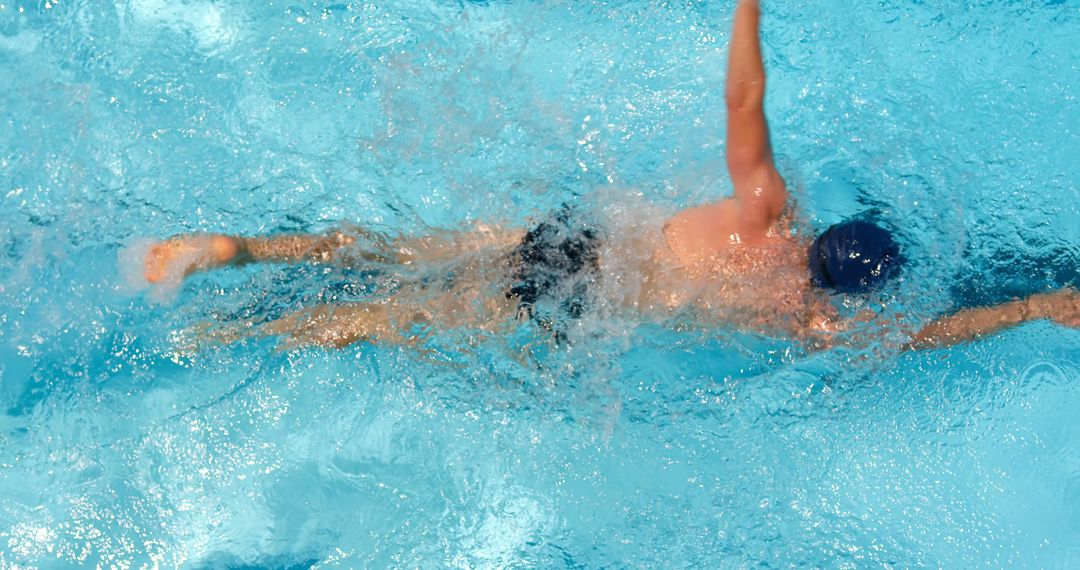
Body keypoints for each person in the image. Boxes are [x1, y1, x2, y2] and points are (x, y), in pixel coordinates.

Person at [140, 0, 1080, 351]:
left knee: (391, 249)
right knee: (390, 321)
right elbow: (928, 339)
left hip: (573, 238)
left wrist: (748, 8)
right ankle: (233, 339)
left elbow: (743, 108)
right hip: (581, 298)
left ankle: (240, 248)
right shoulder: (803, 313)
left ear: (820, 238)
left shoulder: (763, 214)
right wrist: (1033, 309)